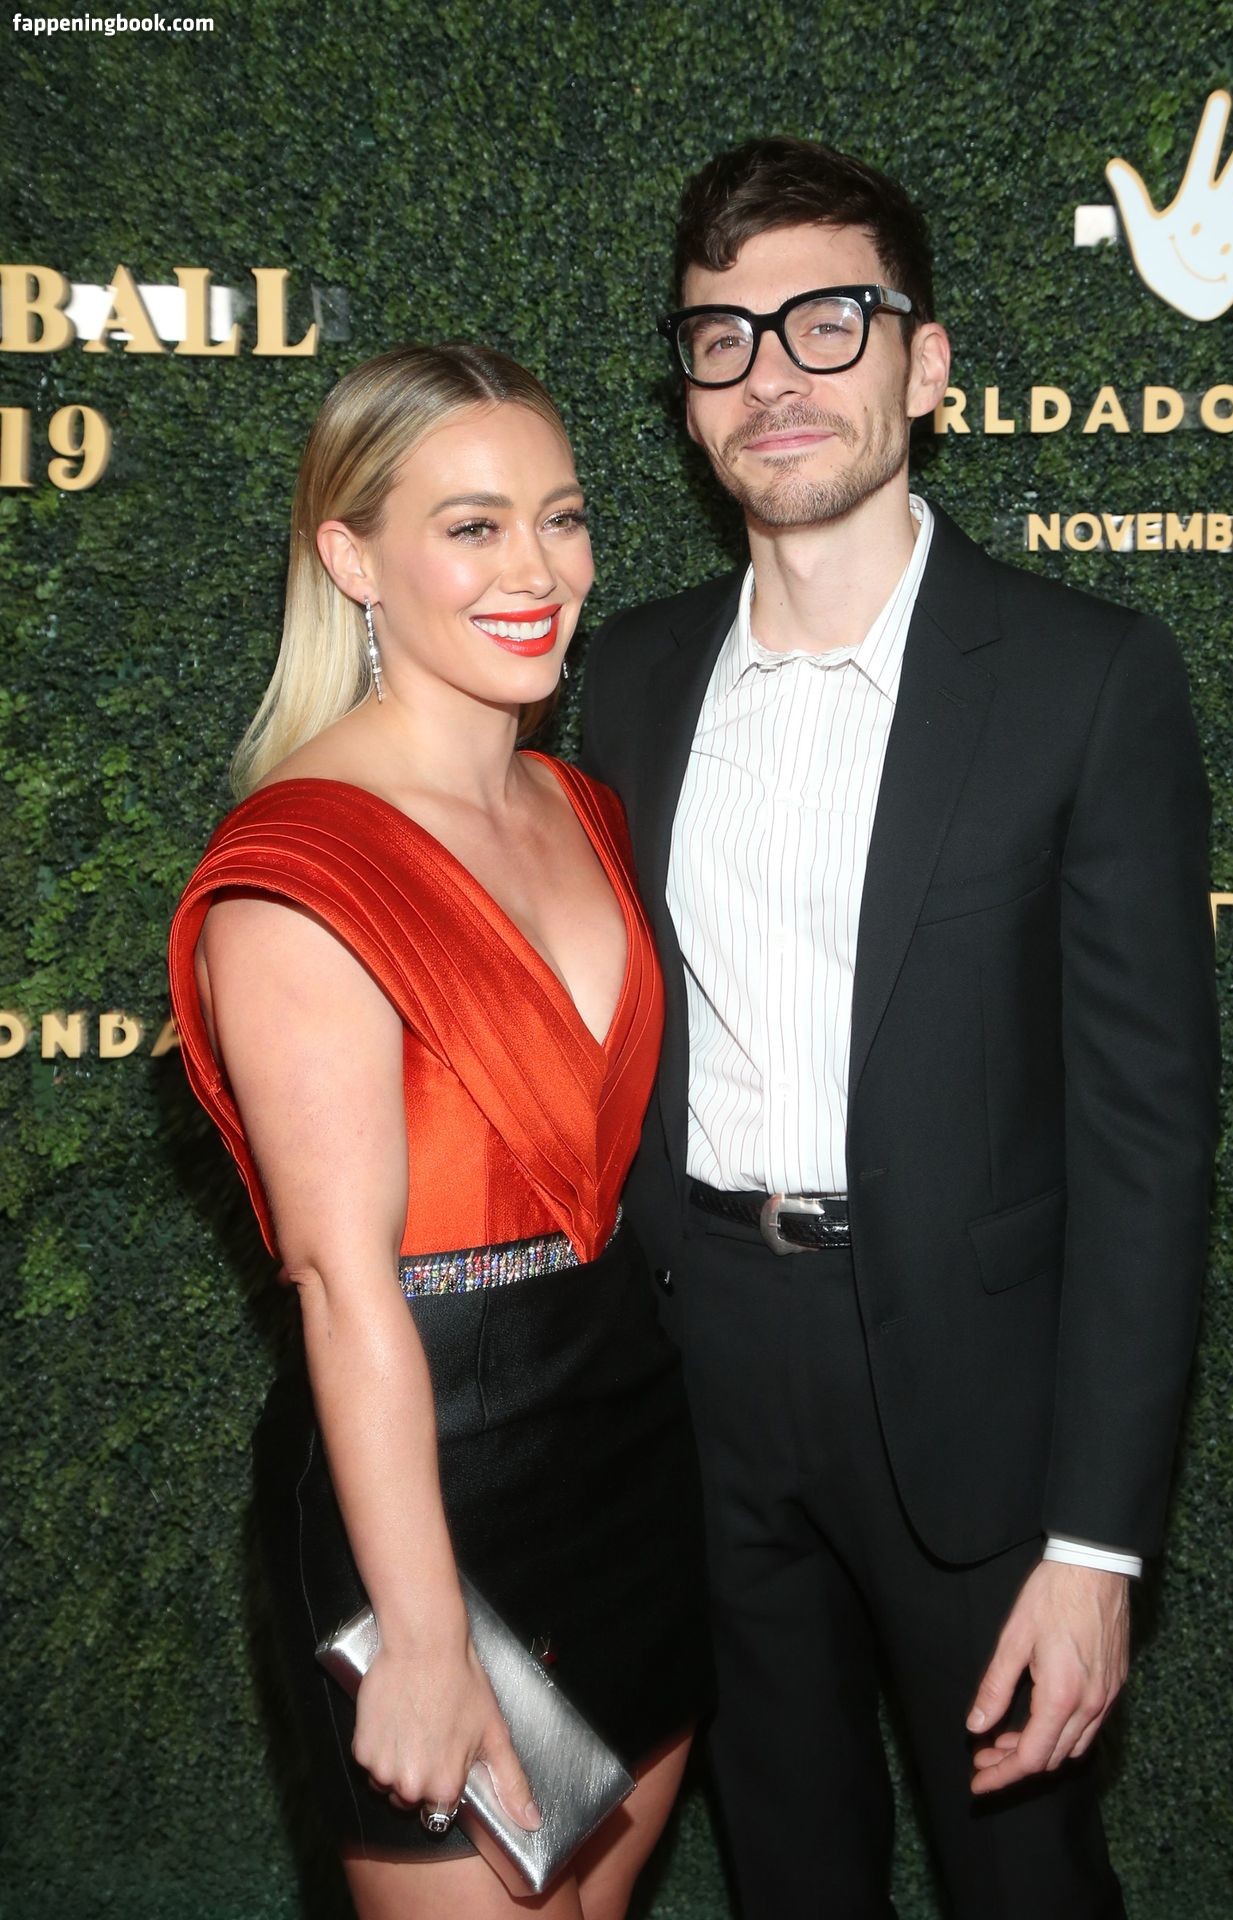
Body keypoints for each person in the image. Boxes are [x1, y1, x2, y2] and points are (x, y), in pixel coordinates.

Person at [580, 138, 1220, 1920]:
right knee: (785, 1870)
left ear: (927, 366)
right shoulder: (627, 677)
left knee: (1024, 1881)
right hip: (699, 1375)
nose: (773, 373)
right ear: (688, 397)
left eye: (830, 321)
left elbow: (1148, 1143)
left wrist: (1097, 1544)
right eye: (724, 338)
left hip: (977, 1398)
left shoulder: (1087, 677)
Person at [168, 343, 712, 1920]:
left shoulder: (583, 808)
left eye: (562, 516)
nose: (538, 571)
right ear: (352, 558)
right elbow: (344, 1288)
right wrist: (418, 1633)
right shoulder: (300, 871)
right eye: (472, 527)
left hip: (632, 1451)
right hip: (430, 1491)